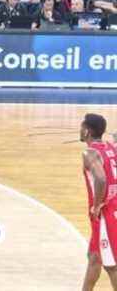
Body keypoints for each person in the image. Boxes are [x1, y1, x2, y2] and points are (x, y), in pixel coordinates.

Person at [80, 113, 117, 291]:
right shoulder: (111, 147)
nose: (80, 129)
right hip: (112, 207)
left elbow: (101, 180)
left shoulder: (89, 153)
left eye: (82, 126)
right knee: (94, 257)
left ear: (87, 131)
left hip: (105, 212)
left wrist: (96, 206)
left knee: (111, 265)